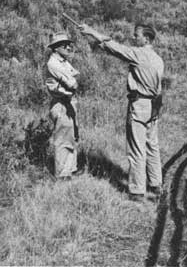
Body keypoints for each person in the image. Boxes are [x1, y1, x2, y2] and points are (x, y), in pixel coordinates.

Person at [79, 23, 164, 202]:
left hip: (139, 104)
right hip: (153, 106)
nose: (134, 38)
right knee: (152, 146)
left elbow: (115, 48)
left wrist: (92, 31)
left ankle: (137, 191)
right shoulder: (158, 59)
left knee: (136, 149)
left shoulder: (139, 54)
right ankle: (156, 186)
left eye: (137, 35)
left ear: (146, 39)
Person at [46, 32, 80, 181]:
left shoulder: (63, 61)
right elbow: (73, 83)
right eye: (63, 44)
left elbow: (75, 77)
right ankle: (61, 174)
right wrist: (71, 85)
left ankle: (70, 170)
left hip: (69, 102)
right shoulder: (53, 64)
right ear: (55, 48)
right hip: (61, 104)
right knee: (62, 139)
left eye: (68, 43)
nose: (68, 46)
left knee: (72, 137)